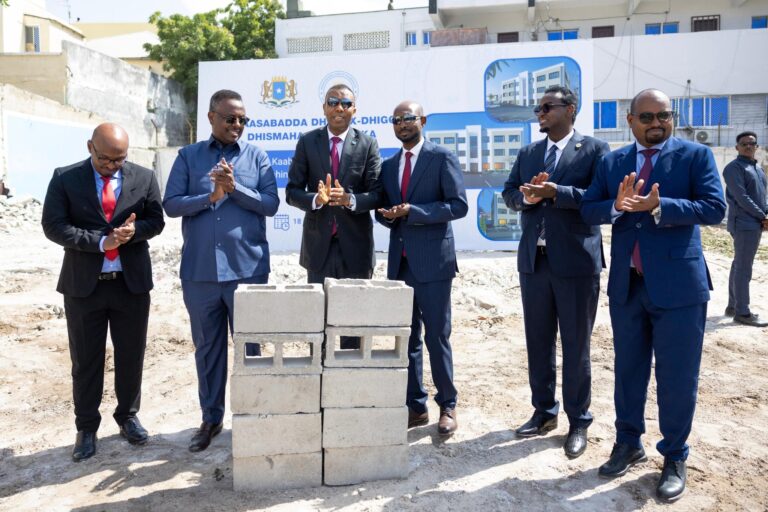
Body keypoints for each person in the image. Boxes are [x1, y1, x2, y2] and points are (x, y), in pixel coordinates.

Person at [581, 89, 726, 502]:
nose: (657, 123)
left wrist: (661, 207)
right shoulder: (612, 162)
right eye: (647, 117)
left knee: (677, 378)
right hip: (628, 286)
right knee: (628, 372)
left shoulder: (695, 156)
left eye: (664, 115)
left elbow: (715, 209)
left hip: (680, 288)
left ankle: (674, 456)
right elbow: (590, 210)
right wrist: (618, 205)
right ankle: (628, 443)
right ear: (631, 121)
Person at [163, 89, 279, 452]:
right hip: (200, 274)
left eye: (243, 119)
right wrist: (209, 197)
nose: (237, 125)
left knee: (252, 350)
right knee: (208, 349)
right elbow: (171, 204)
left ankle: (255, 417)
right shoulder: (188, 157)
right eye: (230, 118)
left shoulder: (257, 157)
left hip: (247, 271)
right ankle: (211, 419)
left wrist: (234, 188)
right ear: (211, 117)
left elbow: (271, 204)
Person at [41, 123, 165, 461]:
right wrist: (100, 242)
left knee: (131, 355)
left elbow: (157, 220)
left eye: (119, 160)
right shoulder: (66, 178)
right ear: (89, 148)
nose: (113, 166)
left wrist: (133, 231)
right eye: (106, 159)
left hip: (131, 286)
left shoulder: (143, 176)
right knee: (86, 361)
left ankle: (127, 416)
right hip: (84, 288)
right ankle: (86, 427)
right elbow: (53, 225)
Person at [501, 85, 610, 458]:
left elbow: (602, 202)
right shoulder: (530, 152)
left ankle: (578, 420)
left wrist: (556, 192)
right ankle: (544, 412)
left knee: (576, 346)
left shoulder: (595, 150)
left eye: (548, 106)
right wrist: (527, 197)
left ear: (571, 110)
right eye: (538, 108)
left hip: (577, 263)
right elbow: (509, 194)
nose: (540, 113)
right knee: (539, 341)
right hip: (535, 262)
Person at [376, 101, 468, 436]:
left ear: (423, 120)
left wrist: (414, 211)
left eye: (408, 118)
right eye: (396, 120)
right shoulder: (388, 166)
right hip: (400, 263)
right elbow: (384, 209)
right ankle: (416, 406)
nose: (402, 124)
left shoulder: (441, 157)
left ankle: (448, 404)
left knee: (437, 337)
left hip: (433, 264)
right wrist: (386, 214)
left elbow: (458, 206)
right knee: (408, 338)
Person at [286, 84, 382, 349]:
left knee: (354, 324)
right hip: (319, 249)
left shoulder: (367, 144)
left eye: (346, 103)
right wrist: (317, 199)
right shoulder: (307, 141)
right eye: (333, 102)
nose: (339, 108)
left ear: (355, 109)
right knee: (318, 325)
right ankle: (320, 384)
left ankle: (350, 384)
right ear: (324, 107)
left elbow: (377, 194)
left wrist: (350, 199)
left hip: (356, 250)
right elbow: (292, 192)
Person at [723, 131, 768, 327]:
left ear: (756, 146)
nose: (748, 146)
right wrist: (763, 215)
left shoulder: (757, 168)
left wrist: (765, 214)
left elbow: (762, 196)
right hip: (743, 223)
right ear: (737, 147)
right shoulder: (733, 168)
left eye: (752, 143)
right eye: (744, 144)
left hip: (754, 222)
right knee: (743, 267)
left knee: (739, 263)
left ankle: (733, 306)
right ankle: (742, 312)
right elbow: (742, 198)